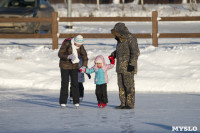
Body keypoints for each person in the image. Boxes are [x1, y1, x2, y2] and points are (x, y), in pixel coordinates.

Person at [110, 23, 140, 109]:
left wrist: (132, 64)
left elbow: (135, 53)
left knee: (128, 85)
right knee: (121, 85)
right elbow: (120, 51)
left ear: (121, 32)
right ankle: (123, 103)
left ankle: (130, 104)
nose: (116, 35)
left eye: (117, 33)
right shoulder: (120, 40)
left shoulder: (131, 39)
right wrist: (113, 54)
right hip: (120, 67)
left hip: (128, 67)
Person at [58, 35, 88, 108]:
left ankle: (76, 101)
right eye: (77, 44)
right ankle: (63, 102)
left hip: (74, 66)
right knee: (65, 83)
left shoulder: (81, 46)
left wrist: (84, 66)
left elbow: (85, 57)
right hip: (64, 66)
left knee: (75, 83)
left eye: (80, 44)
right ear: (74, 41)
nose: (78, 45)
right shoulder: (67, 43)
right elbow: (60, 54)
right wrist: (68, 56)